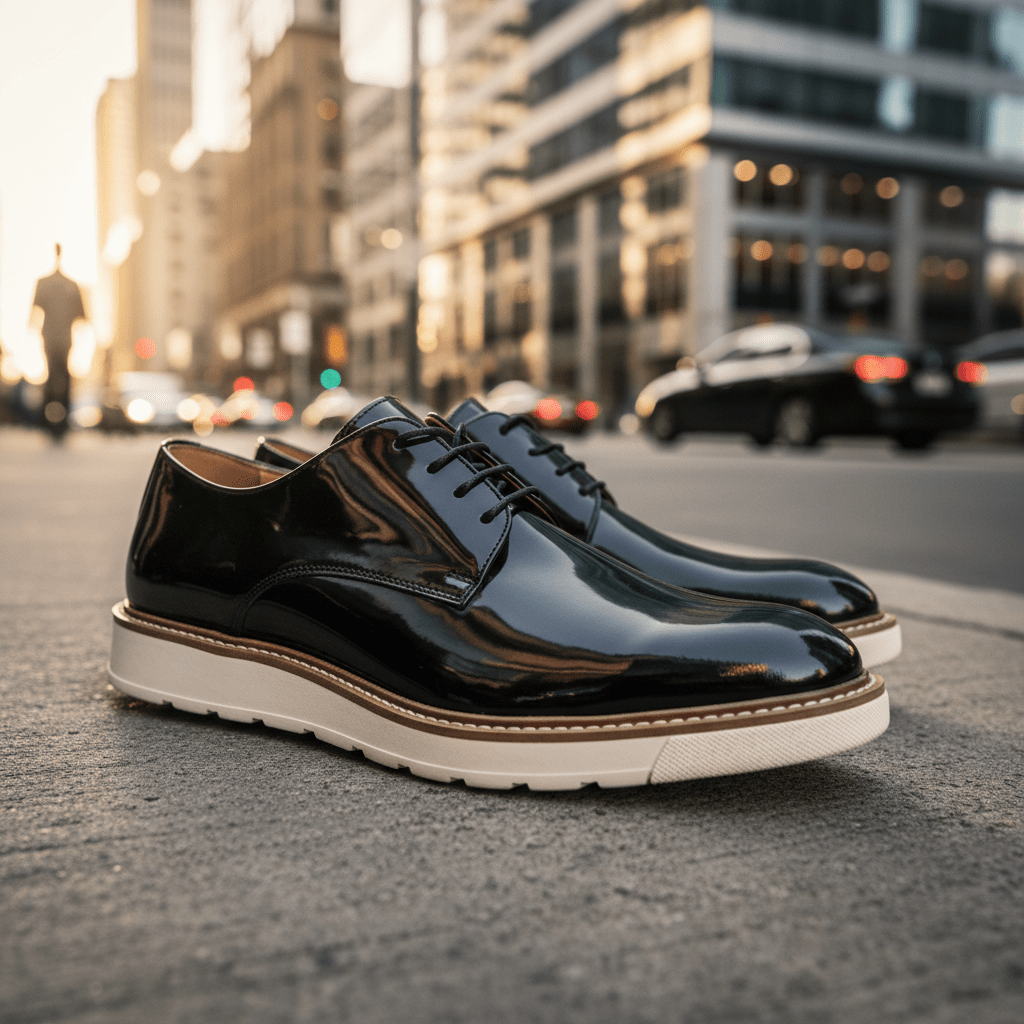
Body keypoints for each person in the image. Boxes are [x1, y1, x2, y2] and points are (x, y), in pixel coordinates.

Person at [31, 244, 86, 439]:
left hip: (49, 337)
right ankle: (64, 417)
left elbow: (33, 313)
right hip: (64, 338)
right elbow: (83, 316)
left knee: (50, 376)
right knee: (64, 375)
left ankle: (44, 420)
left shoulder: (43, 282)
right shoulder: (72, 285)